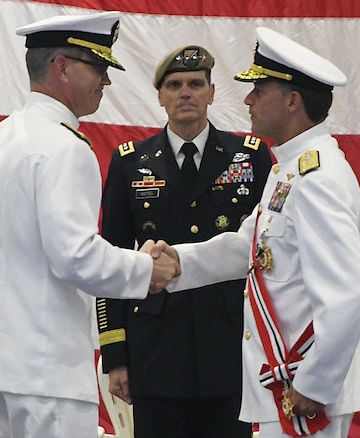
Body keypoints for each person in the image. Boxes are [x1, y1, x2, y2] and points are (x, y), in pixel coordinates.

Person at [0, 12, 179, 438]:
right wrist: (147, 269)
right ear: (62, 67)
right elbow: (75, 257)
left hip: (2, 366)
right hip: (48, 369)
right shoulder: (63, 147)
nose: (106, 81)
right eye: (99, 66)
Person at [158, 27, 360, 437]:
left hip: (307, 387)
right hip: (287, 377)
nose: (248, 99)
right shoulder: (288, 169)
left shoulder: (317, 178)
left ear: (292, 100)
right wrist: (176, 263)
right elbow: (249, 247)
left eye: (259, 88)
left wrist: (315, 382)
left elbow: (349, 293)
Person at [96, 45, 273, 437]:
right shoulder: (130, 163)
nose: (185, 93)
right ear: (160, 96)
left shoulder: (251, 157)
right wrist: (116, 355)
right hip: (156, 349)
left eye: (196, 83)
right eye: (174, 85)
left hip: (229, 347)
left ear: (211, 91)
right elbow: (111, 262)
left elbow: (268, 255)